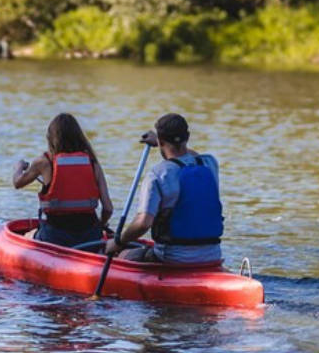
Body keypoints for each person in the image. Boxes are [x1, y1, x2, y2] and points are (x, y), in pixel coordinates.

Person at [104, 113, 223, 264]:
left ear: (160, 141)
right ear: (188, 137)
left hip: (172, 257)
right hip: (212, 255)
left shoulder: (157, 174)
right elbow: (190, 157)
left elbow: (143, 223)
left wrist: (117, 243)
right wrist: (165, 142)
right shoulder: (210, 163)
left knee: (123, 255)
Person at [12, 112, 113, 249]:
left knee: (28, 235)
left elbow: (17, 183)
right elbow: (107, 208)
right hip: (90, 236)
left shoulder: (45, 162)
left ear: (51, 138)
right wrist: (100, 225)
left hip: (55, 236)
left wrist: (18, 167)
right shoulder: (92, 163)